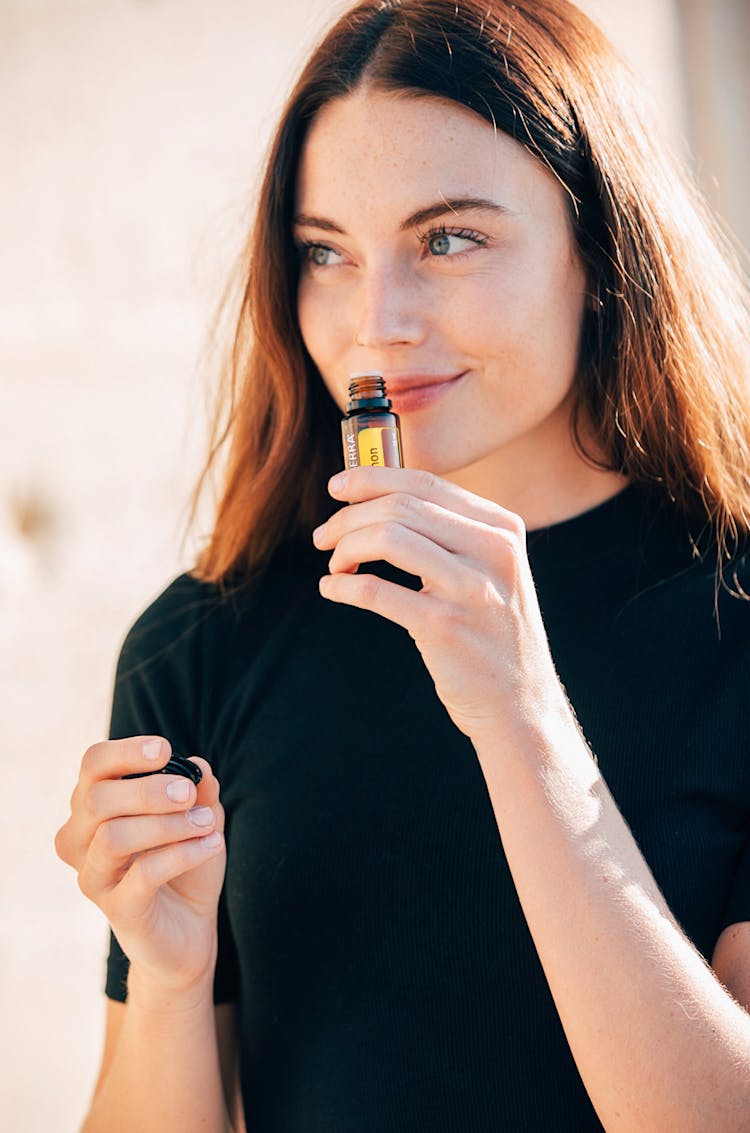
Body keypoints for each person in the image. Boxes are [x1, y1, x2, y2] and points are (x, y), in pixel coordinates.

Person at [55, 0, 750, 1128]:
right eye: (326, 252)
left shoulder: (736, 618)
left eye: (449, 238)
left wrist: (523, 718)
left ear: (603, 248)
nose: (376, 321)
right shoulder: (203, 644)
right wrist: (173, 982)